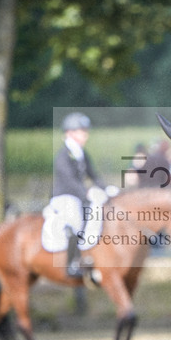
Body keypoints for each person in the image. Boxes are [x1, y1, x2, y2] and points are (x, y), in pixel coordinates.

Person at [50, 112, 108, 277]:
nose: (86, 134)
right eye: (82, 131)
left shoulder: (81, 153)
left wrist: (106, 190)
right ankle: (72, 263)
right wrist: (87, 192)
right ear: (70, 133)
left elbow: (93, 175)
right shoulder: (63, 155)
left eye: (85, 131)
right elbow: (69, 181)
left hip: (79, 196)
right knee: (76, 222)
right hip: (64, 196)